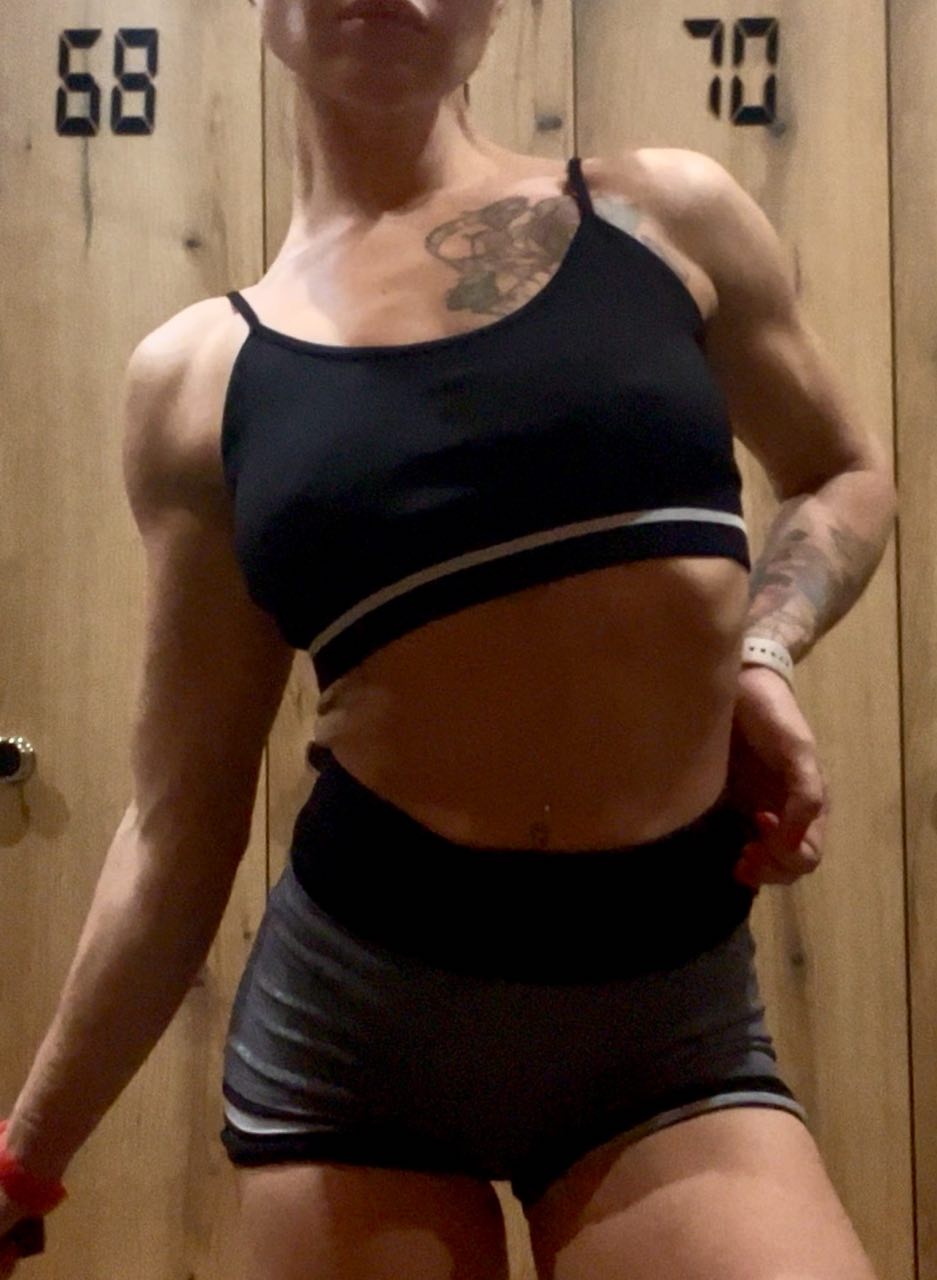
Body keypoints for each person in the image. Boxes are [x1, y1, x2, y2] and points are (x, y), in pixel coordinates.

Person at [0, 1, 897, 1276]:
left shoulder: (662, 218)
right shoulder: (199, 380)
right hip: (358, 1042)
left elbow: (842, 471)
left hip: (666, 1019)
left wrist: (763, 649)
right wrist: (23, 1161)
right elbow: (178, 818)